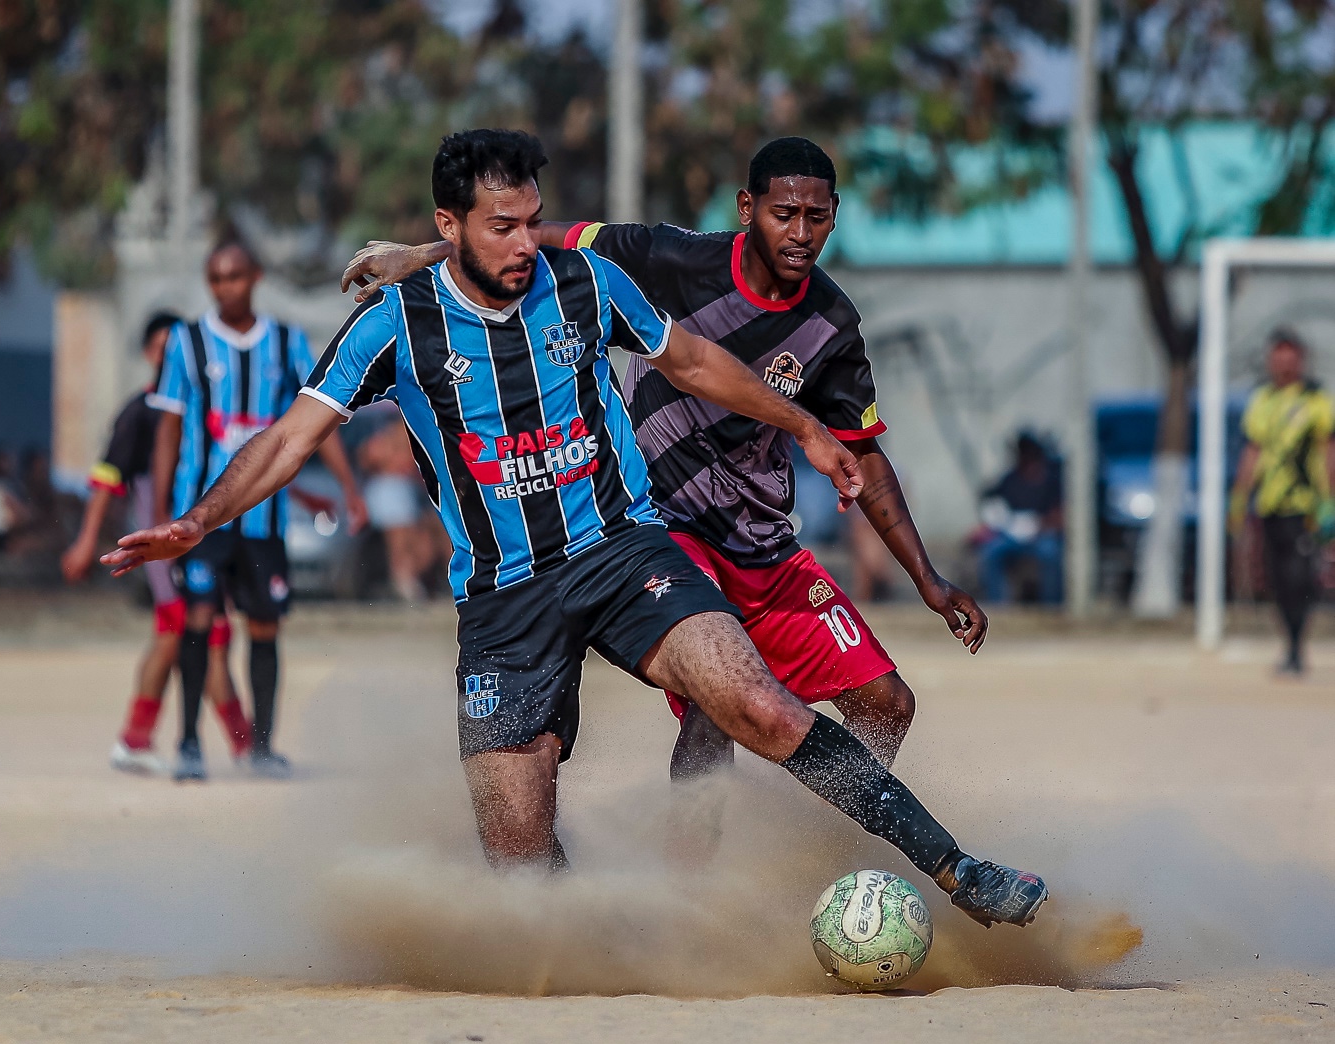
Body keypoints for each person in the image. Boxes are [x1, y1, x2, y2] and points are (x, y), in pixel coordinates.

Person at [106, 129, 1046, 928]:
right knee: (520, 881)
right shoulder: (393, 326)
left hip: (622, 550)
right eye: (502, 228)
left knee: (759, 705)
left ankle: (960, 871)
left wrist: (807, 427)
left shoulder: (587, 283)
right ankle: (615, 934)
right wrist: (195, 520)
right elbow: (287, 440)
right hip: (503, 603)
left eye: (530, 220)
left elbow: (698, 363)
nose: (524, 244)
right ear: (448, 231)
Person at [342, 138, 998, 838]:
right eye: (783, 213)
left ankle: (819, 846)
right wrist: (419, 256)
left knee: (888, 703)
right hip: (667, 530)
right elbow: (535, 240)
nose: (800, 233)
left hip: (766, 546)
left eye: (817, 216)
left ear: (835, 216)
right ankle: (694, 894)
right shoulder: (673, 259)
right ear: (748, 209)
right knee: (719, 713)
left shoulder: (832, 323)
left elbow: (862, 455)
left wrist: (928, 579)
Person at [146, 241, 368, 781]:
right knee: (198, 620)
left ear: (255, 277)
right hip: (199, 516)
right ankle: (190, 742)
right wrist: (159, 509)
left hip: (263, 520)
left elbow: (320, 418)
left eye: (235, 276)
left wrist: (348, 488)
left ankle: (262, 747)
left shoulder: (288, 343)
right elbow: (170, 428)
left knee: (265, 627)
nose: (227, 287)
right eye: (216, 279)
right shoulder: (187, 342)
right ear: (209, 284)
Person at [61, 312, 252, 774]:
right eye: (165, 350)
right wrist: (86, 541)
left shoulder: (204, 405)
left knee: (188, 636)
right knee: (195, 632)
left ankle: (139, 740)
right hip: (162, 545)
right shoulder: (143, 411)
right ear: (150, 355)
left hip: (201, 540)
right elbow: (107, 478)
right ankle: (246, 747)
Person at [1230, 329, 1335, 675]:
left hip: (1306, 505)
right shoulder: (1262, 400)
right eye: (1277, 356)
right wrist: (1240, 497)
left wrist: (1330, 500)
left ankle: (1296, 645)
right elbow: (1253, 450)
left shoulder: (1316, 401)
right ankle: (1290, 643)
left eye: (1289, 356)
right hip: (1271, 505)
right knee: (1276, 578)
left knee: (1300, 576)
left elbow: (1328, 452)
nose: (1283, 363)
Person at [358, 409, 451, 601]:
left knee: (425, 541)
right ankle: (404, 584)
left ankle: (409, 582)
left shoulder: (412, 429)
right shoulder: (389, 434)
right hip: (392, 489)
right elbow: (367, 457)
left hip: (409, 491)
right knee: (400, 543)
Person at [976, 432, 1064, 605]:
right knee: (990, 553)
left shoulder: (1051, 481)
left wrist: (1040, 525)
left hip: (1041, 534)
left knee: (1051, 553)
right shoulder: (1010, 479)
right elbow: (995, 506)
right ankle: (998, 605)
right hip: (1011, 536)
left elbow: (1061, 514)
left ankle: (1052, 606)